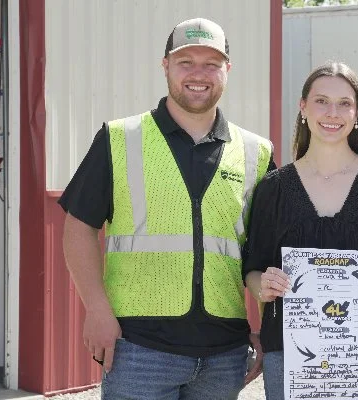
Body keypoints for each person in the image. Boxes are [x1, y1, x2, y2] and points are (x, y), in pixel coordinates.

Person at [58, 17, 274, 400]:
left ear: (228, 69)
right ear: (165, 66)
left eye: (211, 63)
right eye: (185, 61)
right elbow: (79, 228)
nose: (198, 73)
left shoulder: (257, 152)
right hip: (139, 348)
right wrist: (96, 309)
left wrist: (261, 326)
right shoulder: (120, 138)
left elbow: (263, 252)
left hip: (224, 354)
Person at [242, 62, 358, 400]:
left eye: (344, 103)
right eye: (322, 101)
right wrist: (263, 286)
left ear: (357, 114)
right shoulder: (274, 189)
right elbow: (252, 269)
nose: (332, 112)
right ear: (303, 108)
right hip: (289, 357)